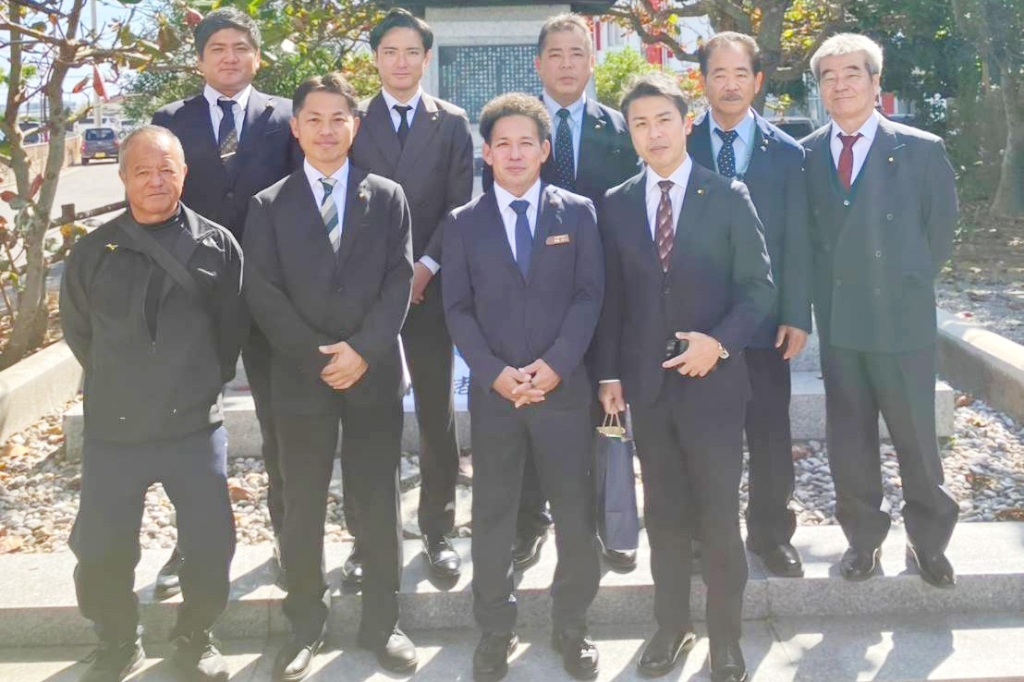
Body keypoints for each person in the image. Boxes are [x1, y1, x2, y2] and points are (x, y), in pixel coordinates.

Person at [595, 73, 775, 681]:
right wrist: (610, 374)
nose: (654, 133)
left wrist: (717, 343)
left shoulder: (727, 195)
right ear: (630, 133)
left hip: (714, 386)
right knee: (665, 514)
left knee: (719, 516)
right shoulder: (617, 203)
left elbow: (758, 289)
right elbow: (613, 299)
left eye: (663, 120)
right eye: (640, 124)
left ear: (687, 122)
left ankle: (726, 638)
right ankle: (671, 626)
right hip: (648, 388)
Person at [242, 73, 417, 679]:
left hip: (372, 372)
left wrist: (363, 350)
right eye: (312, 119)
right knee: (303, 500)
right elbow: (262, 292)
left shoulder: (387, 196)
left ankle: (384, 622)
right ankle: (304, 623)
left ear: (354, 125)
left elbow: (399, 279)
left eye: (337, 118)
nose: (325, 130)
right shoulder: (268, 204)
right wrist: (319, 358)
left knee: (378, 497)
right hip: (300, 377)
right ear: (295, 127)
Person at [61, 125, 247, 682]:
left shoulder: (217, 245)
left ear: (184, 173)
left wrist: (195, 384)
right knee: (101, 546)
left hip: (192, 425)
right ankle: (118, 639)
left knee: (210, 540)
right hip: (115, 427)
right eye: (142, 171)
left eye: (166, 169)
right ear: (123, 177)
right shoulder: (93, 251)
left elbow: (230, 332)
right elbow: (79, 332)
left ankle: (196, 633)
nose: (156, 181)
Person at [443, 93, 604, 681]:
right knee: (493, 513)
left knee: (574, 512)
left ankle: (572, 625)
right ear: (486, 153)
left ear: (544, 150)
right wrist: (494, 372)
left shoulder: (577, 213)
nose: (514, 154)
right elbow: (457, 308)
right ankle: (495, 628)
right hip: (497, 397)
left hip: (563, 392)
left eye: (525, 143)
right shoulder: (462, 223)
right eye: (502, 144)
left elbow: (589, 296)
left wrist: (557, 365)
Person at [151, 6, 302, 597]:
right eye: (217, 48)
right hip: (197, 295)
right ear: (199, 60)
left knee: (281, 422)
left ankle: (290, 538)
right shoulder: (170, 120)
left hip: (272, 295)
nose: (230, 57)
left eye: (241, 47)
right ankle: (191, 544)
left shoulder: (287, 117)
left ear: (258, 57)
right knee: (188, 422)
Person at [485, 12, 640, 573]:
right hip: (531, 301)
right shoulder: (518, 129)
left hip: (604, 295)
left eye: (577, 53)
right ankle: (529, 524)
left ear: (592, 61)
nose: (567, 64)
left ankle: (606, 524)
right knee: (530, 406)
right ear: (538, 64)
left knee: (605, 409)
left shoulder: (620, 130)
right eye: (555, 54)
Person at [802, 33, 959, 587]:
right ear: (819, 89)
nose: (840, 84)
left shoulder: (921, 149)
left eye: (852, 73)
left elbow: (939, 233)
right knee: (849, 439)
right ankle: (863, 541)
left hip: (902, 319)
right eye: (828, 76)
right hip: (840, 321)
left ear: (875, 82)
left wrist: (904, 283)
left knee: (916, 437)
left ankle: (928, 542)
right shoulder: (806, 154)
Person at [348, 7, 473, 583]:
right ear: (376, 58)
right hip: (367, 292)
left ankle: (438, 529)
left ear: (426, 59)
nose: (401, 62)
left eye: (411, 53)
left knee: (434, 412)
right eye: (390, 52)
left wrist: (424, 267)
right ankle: (367, 538)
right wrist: (390, 277)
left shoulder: (451, 123)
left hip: (431, 288)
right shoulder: (353, 120)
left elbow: (458, 205)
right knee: (368, 414)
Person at [689, 32, 812, 578]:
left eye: (741, 74)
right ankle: (704, 534)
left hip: (764, 323)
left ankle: (770, 533)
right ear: (702, 82)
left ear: (758, 81)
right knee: (703, 435)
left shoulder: (788, 153)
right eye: (719, 73)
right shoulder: (682, 144)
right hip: (698, 321)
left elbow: (798, 240)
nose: (730, 84)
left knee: (768, 432)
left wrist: (797, 313)